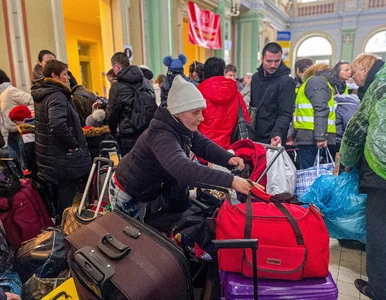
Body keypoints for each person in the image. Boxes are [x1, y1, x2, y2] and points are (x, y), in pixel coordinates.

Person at [109, 75, 263, 220]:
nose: (201, 118)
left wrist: (227, 158)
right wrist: (231, 180)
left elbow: (202, 145)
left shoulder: (181, 125)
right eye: (196, 112)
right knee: (133, 242)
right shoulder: (161, 134)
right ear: (177, 112)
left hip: (146, 190)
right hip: (128, 192)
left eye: (201, 111)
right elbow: (183, 168)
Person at [340, 54, 386, 300]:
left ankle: (379, 288)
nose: (354, 80)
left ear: (365, 68)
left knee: (379, 229)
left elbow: (356, 130)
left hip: (382, 170)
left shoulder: (378, 86)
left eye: (355, 73)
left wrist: (346, 162)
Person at [31, 60, 91, 217]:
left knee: (59, 199)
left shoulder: (43, 94)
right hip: (62, 159)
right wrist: (74, 144)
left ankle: (61, 226)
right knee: (66, 199)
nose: (68, 78)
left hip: (51, 156)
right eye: (65, 74)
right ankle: (66, 231)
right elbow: (57, 125)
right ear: (54, 76)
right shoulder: (57, 95)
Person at [106, 52, 156, 155]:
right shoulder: (146, 82)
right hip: (147, 131)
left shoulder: (117, 87)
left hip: (128, 135)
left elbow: (112, 113)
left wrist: (112, 131)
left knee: (130, 166)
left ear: (117, 67)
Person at [289, 63, 337, 169]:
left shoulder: (316, 82)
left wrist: (320, 136)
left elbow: (320, 109)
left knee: (309, 175)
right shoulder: (321, 83)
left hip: (312, 137)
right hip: (315, 136)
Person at [198, 57, 249, 150]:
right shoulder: (236, 93)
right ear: (223, 72)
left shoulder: (198, 94)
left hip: (203, 150)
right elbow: (245, 119)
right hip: (230, 151)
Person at [250, 42, 296, 146]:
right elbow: (253, 106)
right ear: (262, 59)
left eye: (277, 61)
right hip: (255, 134)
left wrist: (277, 133)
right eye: (269, 61)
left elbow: (285, 113)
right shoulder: (255, 78)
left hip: (274, 136)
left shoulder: (286, 82)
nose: (273, 65)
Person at [0, 69, 34, 168]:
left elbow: (32, 102)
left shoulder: (11, 91)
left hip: (20, 132)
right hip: (9, 134)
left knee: (24, 163)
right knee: (14, 163)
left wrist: (22, 118)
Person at [8, 105, 37, 177]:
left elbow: (28, 150)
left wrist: (28, 167)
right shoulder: (33, 125)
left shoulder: (26, 130)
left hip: (34, 164)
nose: (16, 124)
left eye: (16, 121)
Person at [334, 82, 359, 152]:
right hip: (339, 143)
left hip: (331, 139)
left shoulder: (336, 102)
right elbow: (351, 128)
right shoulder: (351, 105)